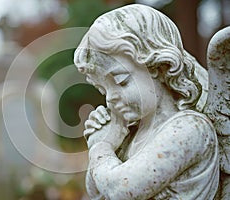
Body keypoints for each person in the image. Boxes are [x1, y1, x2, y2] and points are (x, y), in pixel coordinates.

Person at [74, 4, 219, 199]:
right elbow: (96, 191)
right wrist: (107, 139)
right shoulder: (131, 134)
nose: (109, 98)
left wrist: (101, 149)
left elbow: (121, 190)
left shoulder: (190, 129)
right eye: (102, 89)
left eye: (120, 81)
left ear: (159, 67)